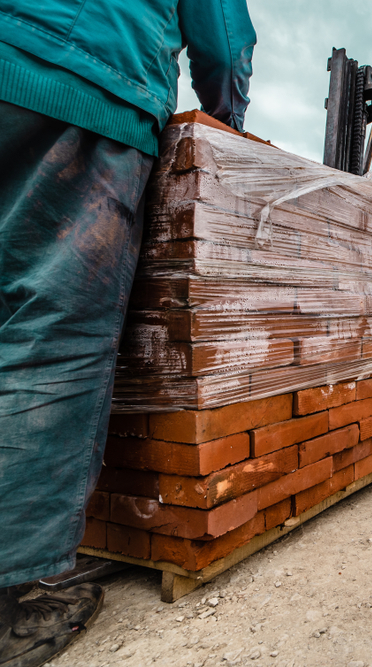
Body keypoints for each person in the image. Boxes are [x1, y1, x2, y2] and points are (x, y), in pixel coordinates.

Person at [0, 1, 256, 664]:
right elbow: (223, 42)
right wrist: (227, 134)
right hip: (83, 80)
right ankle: (22, 586)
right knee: (51, 330)